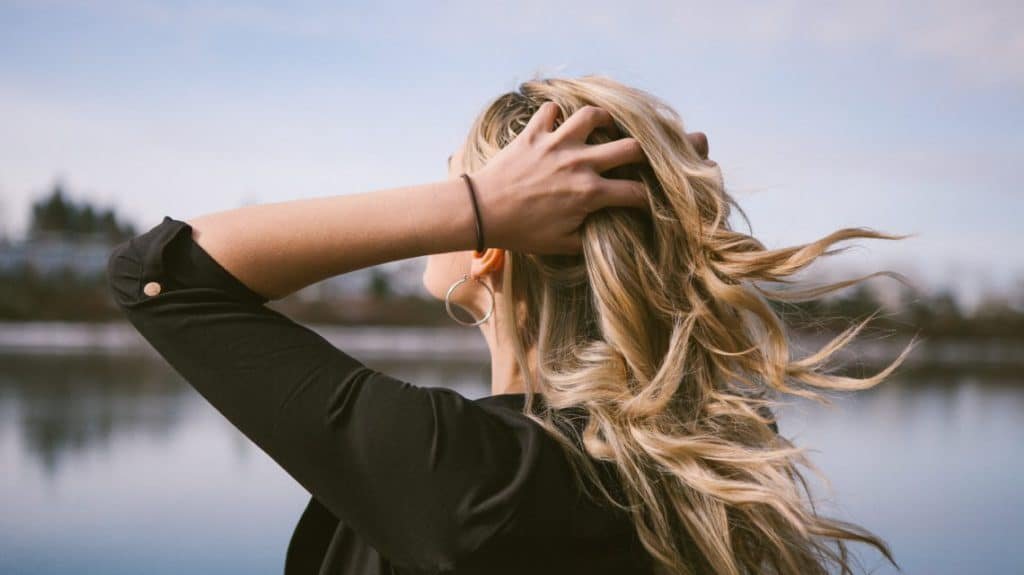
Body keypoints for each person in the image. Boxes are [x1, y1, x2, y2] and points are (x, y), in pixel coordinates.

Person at [106, 74, 915, 575]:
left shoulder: (466, 473)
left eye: (461, 177)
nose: (442, 191)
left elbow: (158, 273)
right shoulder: (704, 469)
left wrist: (476, 207)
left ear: (497, 249)